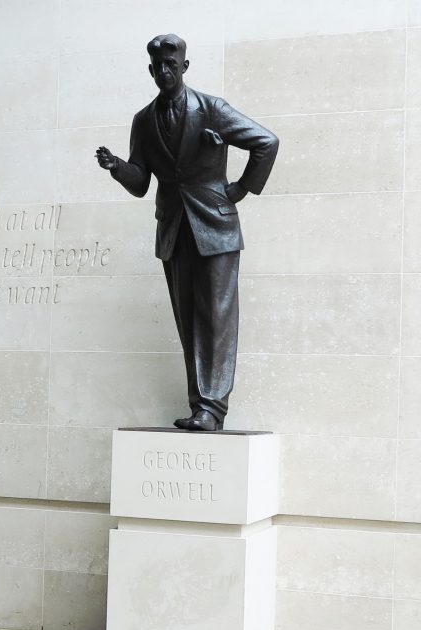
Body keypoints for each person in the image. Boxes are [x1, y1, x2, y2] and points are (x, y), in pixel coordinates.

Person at [96, 34, 278, 431]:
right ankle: (201, 407)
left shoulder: (211, 109)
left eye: (171, 65)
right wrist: (117, 168)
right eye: (158, 67)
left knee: (216, 319)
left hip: (215, 227)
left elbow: (266, 142)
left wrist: (241, 188)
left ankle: (212, 409)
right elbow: (141, 181)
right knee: (189, 322)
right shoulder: (144, 120)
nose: (164, 72)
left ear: (184, 67)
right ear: (150, 70)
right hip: (175, 229)